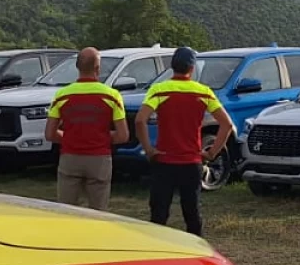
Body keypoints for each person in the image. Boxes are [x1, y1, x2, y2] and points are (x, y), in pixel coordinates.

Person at [136, 47, 234, 237]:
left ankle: (157, 253)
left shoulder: (159, 90)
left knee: (159, 214)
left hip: (164, 161)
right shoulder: (203, 92)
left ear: (172, 66)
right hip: (191, 161)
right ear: (192, 67)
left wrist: (149, 149)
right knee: (192, 213)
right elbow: (227, 124)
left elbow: (140, 120)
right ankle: (196, 253)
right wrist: (212, 152)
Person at [45, 47, 129, 210]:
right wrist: (101, 137)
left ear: (77, 67)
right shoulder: (112, 96)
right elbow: (123, 135)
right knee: (99, 211)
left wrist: (71, 137)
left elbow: (50, 133)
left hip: (70, 157)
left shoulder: (62, 95)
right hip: (99, 159)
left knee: (66, 210)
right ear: (98, 68)